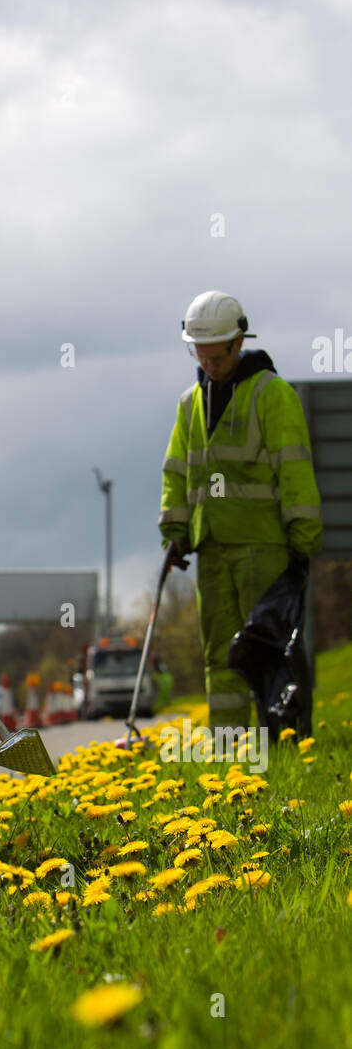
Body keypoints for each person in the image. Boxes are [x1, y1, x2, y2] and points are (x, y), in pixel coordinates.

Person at [158, 291, 322, 731]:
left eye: (216, 356)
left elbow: (294, 469)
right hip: (210, 548)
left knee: (270, 647)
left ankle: (286, 741)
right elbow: (176, 472)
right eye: (200, 355)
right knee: (219, 653)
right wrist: (175, 531)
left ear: (238, 342)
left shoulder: (273, 395)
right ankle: (229, 747)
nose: (208, 364)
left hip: (263, 547)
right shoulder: (189, 403)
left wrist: (303, 538)